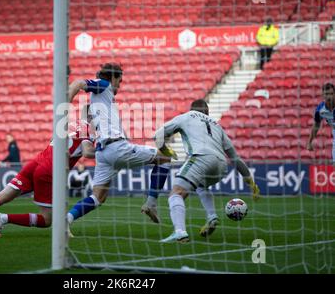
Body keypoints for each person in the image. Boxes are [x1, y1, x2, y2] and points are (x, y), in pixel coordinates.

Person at [0, 107, 96, 238]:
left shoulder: (67, 125)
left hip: (35, 163)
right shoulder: (86, 132)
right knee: (47, 220)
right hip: (48, 171)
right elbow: (88, 152)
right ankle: (4, 218)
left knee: (1, 197)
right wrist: (106, 153)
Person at [66, 62, 178, 235]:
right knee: (163, 158)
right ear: (113, 77)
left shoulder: (101, 103)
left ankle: (67, 220)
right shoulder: (104, 86)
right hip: (116, 148)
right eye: (120, 79)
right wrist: (66, 101)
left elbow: (89, 117)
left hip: (103, 153)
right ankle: (151, 204)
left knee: (98, 197)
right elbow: (79, 83)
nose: (120, 84)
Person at [154, 99, 260, 243]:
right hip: (221, 165)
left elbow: (158, 135)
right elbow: (235, 158)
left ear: (192, 109)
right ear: (207, 112)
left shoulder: (186, 116)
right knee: (200, 185)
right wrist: (251, 182)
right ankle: (212, 216)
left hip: (201, 157)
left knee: (176, 193)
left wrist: (165, 150)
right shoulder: (216, 125)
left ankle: (180, 233)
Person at [307, 83, 335, 163]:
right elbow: (316, 126)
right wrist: (310, 142)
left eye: (331, 94)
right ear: (323, 95)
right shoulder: (320, 110)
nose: (329, 96)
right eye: (326, 94)